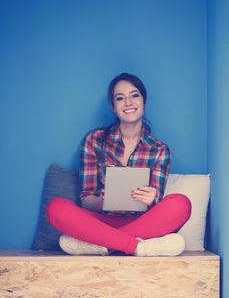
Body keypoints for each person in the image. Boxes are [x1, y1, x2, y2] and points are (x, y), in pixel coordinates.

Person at [46, 72, 191, 256]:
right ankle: (136, 247)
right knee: (56, 208)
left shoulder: (160, 150)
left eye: (134, 95)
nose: (128, 103)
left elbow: (158, 205)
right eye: (120, 98)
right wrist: (105, 202)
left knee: (181, 203)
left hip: (143, 224)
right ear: (113, 107)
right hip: (101, 222)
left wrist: (152, 199)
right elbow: (86, 199)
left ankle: (102, 245)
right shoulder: (94, 140)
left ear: (144, 101)